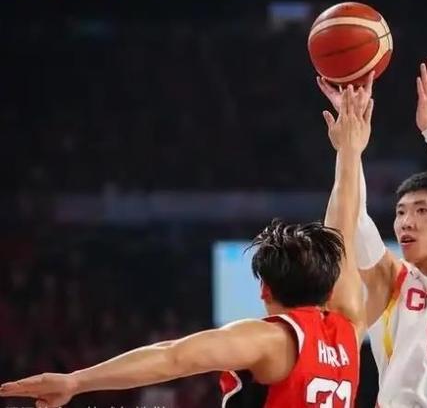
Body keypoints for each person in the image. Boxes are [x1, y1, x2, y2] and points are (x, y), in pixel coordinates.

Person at [0, 89, 373, 408]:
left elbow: (173, 357)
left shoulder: (271, 341)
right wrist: (350, 150)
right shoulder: (349, 328)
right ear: (329, 284)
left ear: (265, 289)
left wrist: (76, 381)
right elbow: (342, 228)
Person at [317, 59, 427, 407]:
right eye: (400, 212)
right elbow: (352, 220)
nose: (406, 222)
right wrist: (350, 147)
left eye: (421, 211)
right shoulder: (389, 278)